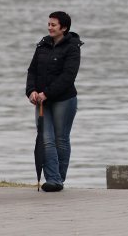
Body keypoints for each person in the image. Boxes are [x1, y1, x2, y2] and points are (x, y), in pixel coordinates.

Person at [26, 11, 82, 192]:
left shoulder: (72, 47)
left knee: (60, 140)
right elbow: (32, 70)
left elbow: (68, 76)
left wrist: (47, 93)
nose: (49, 27)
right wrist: (31, 91)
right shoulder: (42, 44)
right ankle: (53, 179)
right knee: (45, 139)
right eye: (48, 24)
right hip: (42, 101)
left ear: (64, 28)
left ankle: (59, 178)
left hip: (64, 100)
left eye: (53, 25)